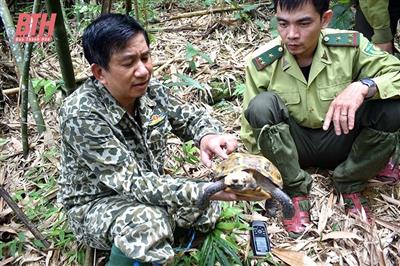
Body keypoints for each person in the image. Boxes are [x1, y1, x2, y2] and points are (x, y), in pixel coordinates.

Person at [58, 14, 262, 265]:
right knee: (149, 222)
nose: (143, 70)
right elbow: (132, 182)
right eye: (129, 62)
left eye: (145, 57)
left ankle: (161, 238)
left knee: (206, 209)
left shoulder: (150, 90)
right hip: (95, 204)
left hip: (147, 188)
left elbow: (190, 118)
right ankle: (136, 248)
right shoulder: (81, 114)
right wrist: (207, 190)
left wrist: (207, 135)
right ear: (100, 72)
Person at [240, 0, 400, 237]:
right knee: (261, 106)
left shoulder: (350, 46)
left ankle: (351, 181)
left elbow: (395, 72)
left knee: (393, 107)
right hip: (293, 148)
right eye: (283, 24)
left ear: (325, 19)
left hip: (342, 138)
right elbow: (251, 130)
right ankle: (295, 190)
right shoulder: (263, 61)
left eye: (304, 23)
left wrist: (364, 86)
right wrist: (265, 178)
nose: (291, 34)